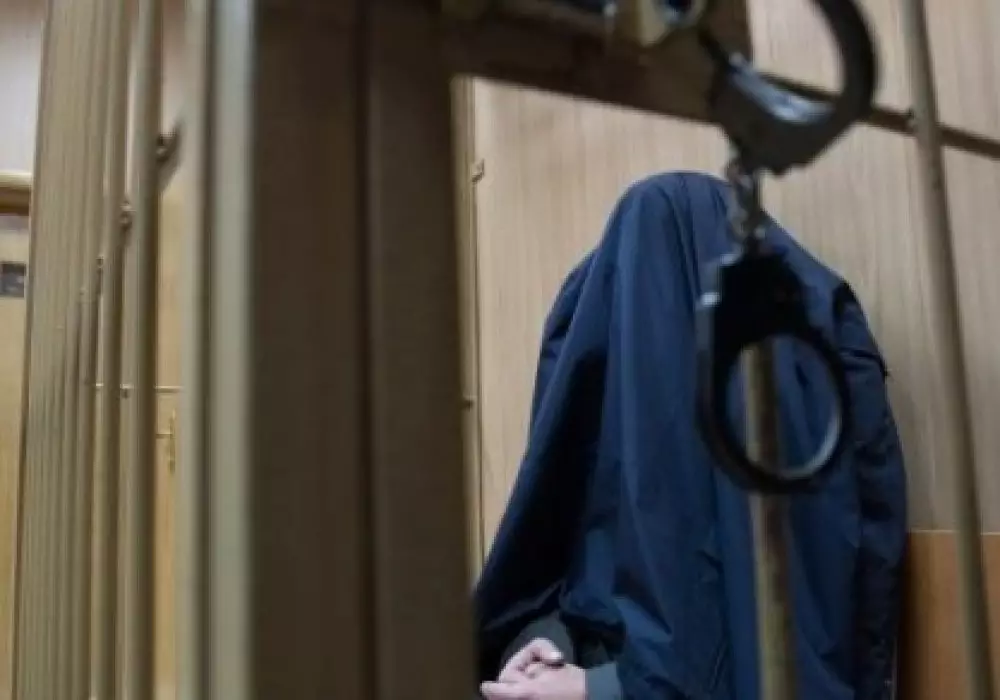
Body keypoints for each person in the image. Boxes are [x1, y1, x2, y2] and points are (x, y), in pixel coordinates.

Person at [473, 172, 907, 700]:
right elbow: (572, 571)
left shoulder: (787, 402)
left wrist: (599, 690)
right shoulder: (656, 392)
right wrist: (545, 645)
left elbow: (774, 648)